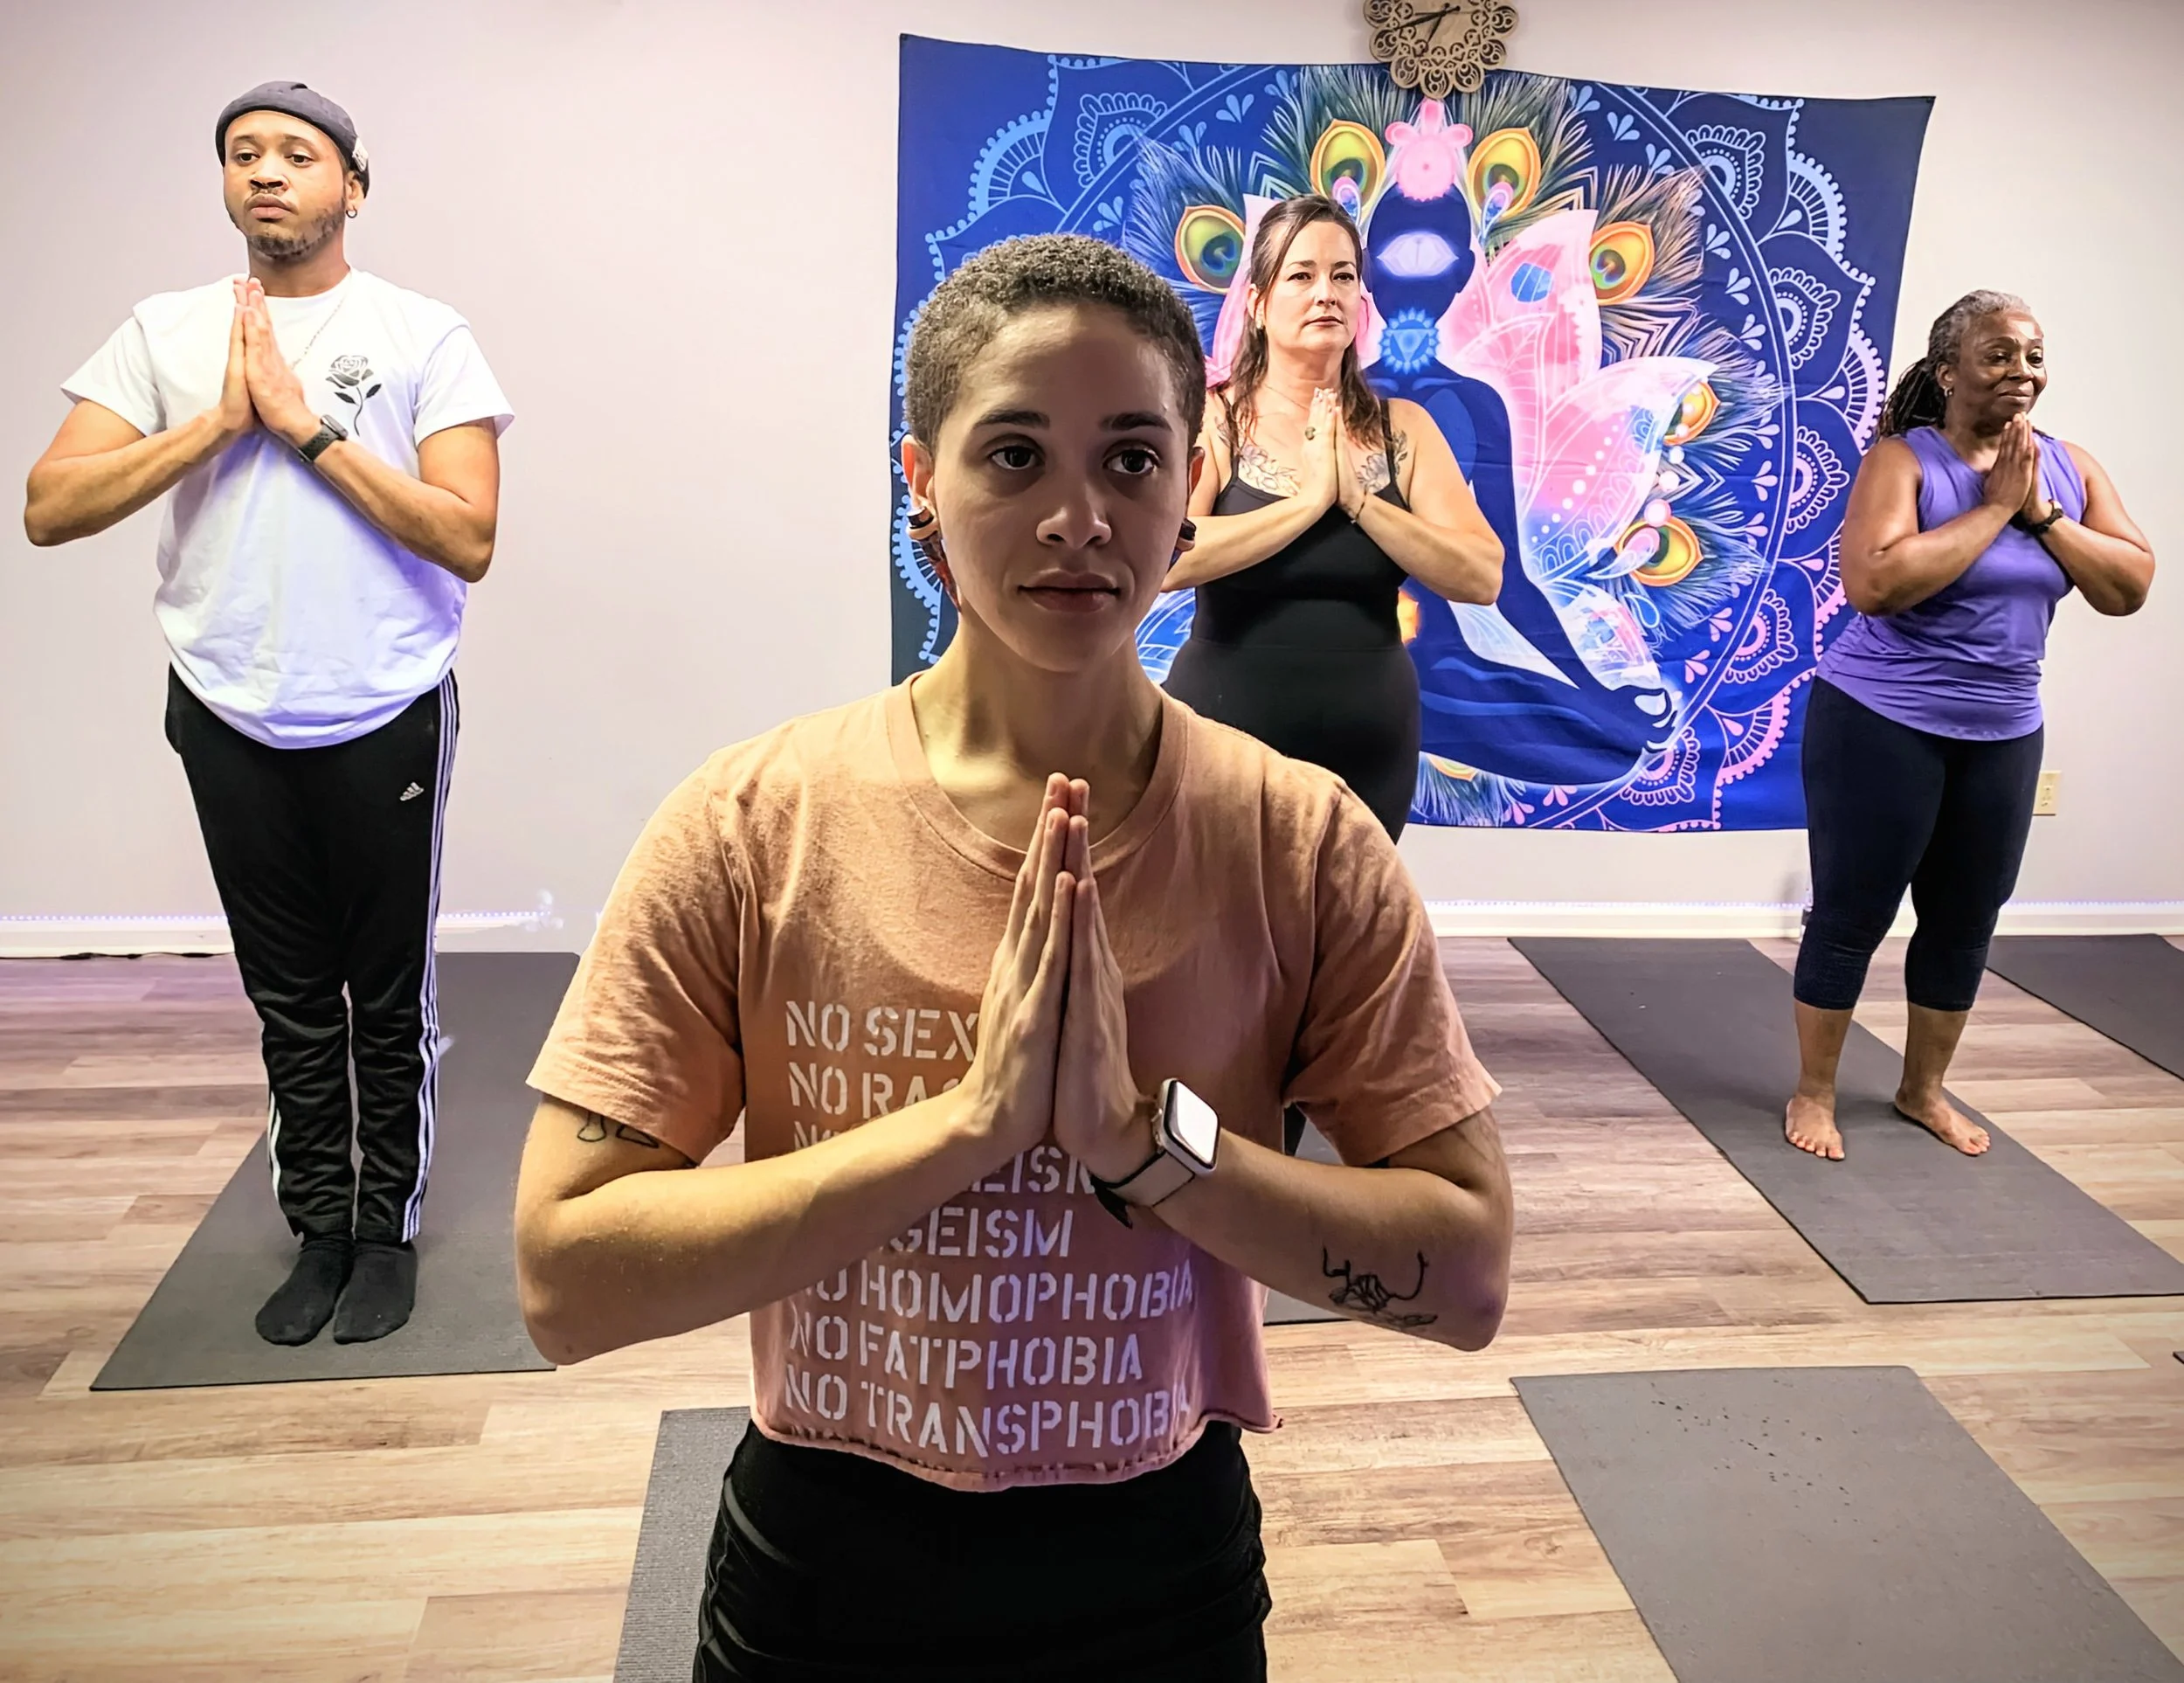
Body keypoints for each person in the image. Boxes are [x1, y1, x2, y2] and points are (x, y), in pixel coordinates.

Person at [515, 233, 1513, 1682]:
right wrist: (965, 1128)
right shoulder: (752, 822)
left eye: (1127, 461)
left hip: (1159, 1570)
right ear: (919, 487)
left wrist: (1145, 1141)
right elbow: (564, 1279)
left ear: (1189, 495)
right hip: (826, 1563)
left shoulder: (1299, 840)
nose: (1075, 518)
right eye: (1013, 456)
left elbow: (1468, 1277)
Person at [24, 82, 514, 1343]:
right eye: (244, 155)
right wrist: (217, 426)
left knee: (385, 990)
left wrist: (300, 432)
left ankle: (386, 1230)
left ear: (353, 184)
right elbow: (51, 504)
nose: (268, 173)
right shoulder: (167, 328)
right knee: (289, 991)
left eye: (300, 154)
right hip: (227, 699)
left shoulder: (423, 331)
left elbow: (468, 535)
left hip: (383, 701)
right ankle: (320, 1229)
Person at [1783, 291, 2154, 1161]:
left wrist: (2044, 515)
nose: (2020, 371)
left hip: (2002, 732)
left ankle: (1921, 1091)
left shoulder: (2069, 470)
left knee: (1964, 918)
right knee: (1852, 914)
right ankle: (1813, 1092)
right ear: (1949, 371)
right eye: (1997, 355)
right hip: (1880, 721)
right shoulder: (1902, 463)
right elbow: (1874, 584)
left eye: (2031, 355)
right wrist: (1993, 509)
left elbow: (2128, 586)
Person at [1161, 192, 1503, 842]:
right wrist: (1307, 504)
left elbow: (1481, 574)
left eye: (1343, 275)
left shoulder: (1404, 430)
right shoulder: (1215, 419)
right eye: (1302, 275)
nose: (1327, 292)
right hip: (1227, 737)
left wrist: (1361, 503)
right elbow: (1166, 556)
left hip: (1370, 747)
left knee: (1347, 937)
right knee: (1226, 937)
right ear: (1258, 305)